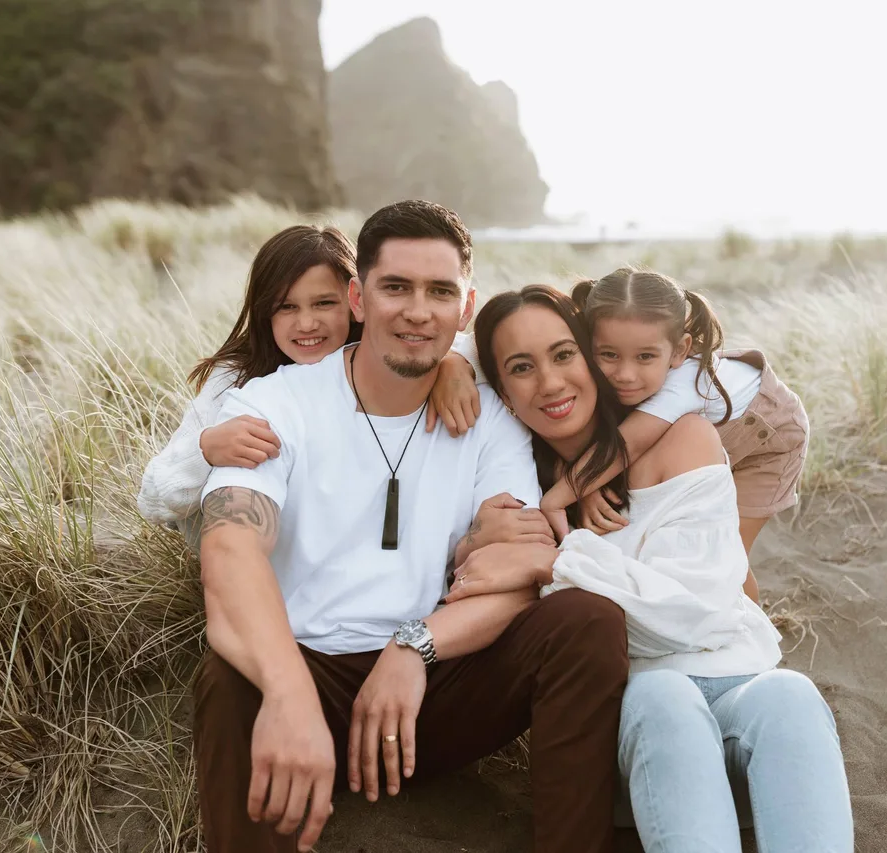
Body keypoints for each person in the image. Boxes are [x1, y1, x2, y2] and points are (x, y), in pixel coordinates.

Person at [192, 202, 629, 853]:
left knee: (587, 620)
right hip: (308, 671)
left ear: (466, 305)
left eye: (440, 291)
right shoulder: (277, 403)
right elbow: (229, 549)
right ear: (358, 296)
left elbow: (513, 570)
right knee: (227, 682)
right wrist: (287, 691)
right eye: (396, 287)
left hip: (436, 688)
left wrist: (414, 646)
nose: (418, 310)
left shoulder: (489, 423)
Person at [447, 284, 853, 853]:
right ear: (503, 392)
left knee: (790, 693)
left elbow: (698, 610)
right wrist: (450, 365)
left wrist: (555, 562)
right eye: (521, 368)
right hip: (638, 727)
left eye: (566, 355)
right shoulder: (516, 488)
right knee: (663, 694)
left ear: (591, 355)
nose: (552, 382)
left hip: (738, 700)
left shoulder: (684, 436)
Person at [136, 223, 484, 551]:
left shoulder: (389, 355)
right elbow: (152, 498)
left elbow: (486, 348)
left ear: (356, 302)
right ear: (264, 313)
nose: (306, 323)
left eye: (323, 303)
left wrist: (455, 362)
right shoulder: (236, 379)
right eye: (286, 307)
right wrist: (206, 448)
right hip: (259, 562)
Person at [539, 267, 809, 602]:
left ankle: (748, 636)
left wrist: (557, 498)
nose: (625, 374)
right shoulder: (627, 367)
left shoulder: (680, 387)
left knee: (727, 552)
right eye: (608, 354)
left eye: (645, 357)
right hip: (709, 435)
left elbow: (627, 445)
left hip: (769, 441)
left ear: (680, 350)